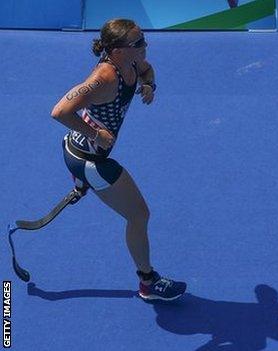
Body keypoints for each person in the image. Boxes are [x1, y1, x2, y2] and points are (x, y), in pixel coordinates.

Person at [50, 18, 186, 301]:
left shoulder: (134, 63)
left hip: (83, 152)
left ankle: (81, 181)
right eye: (138, 43)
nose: (145, 45)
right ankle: (148, 282)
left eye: (144, 38)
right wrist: (95, 134)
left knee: (133, 209)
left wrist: (150, 86)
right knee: (139, 215)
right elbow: (60, 111)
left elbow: (148, 71)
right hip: (88, 159)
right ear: (118, 50)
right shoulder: (103, 79)